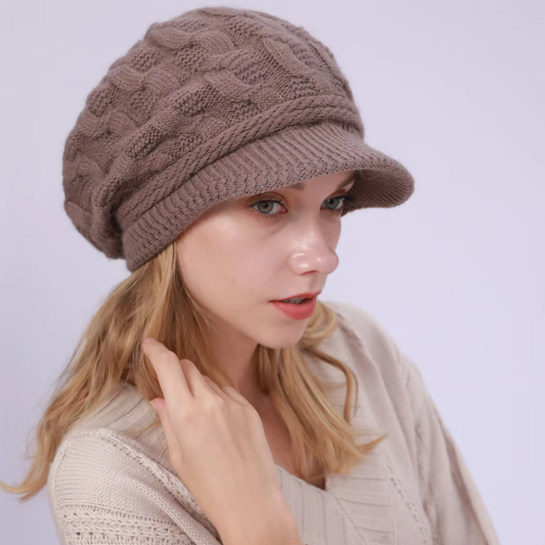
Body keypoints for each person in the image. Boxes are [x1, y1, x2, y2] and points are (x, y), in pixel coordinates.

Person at [0, 6, 501, 545]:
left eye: (333, 201)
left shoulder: (362, 355)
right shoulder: (113, 473)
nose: (322, 257)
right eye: (267, 204)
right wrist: (257, 529)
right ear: (166, 227)